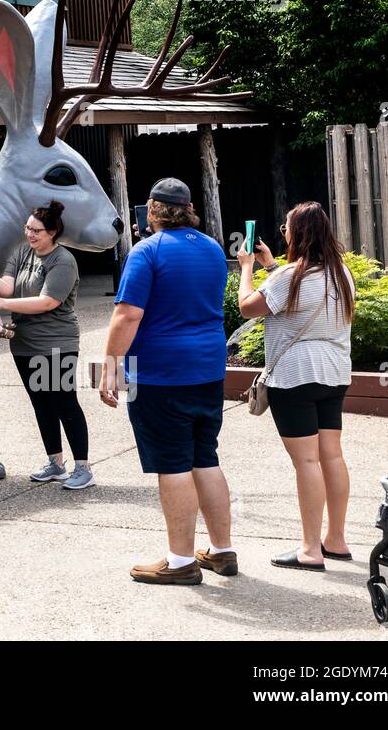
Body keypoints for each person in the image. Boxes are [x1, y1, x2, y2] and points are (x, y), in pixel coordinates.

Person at [100, 177, 235, 585]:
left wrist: (110, 364)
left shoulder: (147, 251)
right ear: (189, 208)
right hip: (208, 367)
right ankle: (221, 550)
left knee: (172, 464)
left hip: (160, 373)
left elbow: (127, 315)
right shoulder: (212, 248)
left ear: (152, 211)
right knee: (204, 456)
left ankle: (180, 561)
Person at [236, 201, 355, 570]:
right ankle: (335, 539)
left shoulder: (289, 278)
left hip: (295, 376)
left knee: (306, 461)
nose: (283, 234)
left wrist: (246, 270)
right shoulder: (341, 274)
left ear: (298, 235)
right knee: (331, 455)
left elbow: (247, 307)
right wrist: (271, 266)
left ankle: (309, 549)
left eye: (286, 229)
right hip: (334, 374)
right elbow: (299, 293)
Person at [0, 202, 92, 491]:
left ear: (53, 232)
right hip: (24, 344)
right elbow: (5, 287)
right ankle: (55, 463)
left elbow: (48, 302)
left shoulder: (63, 260)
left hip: (55, 345)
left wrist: (1, 305)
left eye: (36, 230)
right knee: (41, 404)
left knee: (64, 402)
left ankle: (83, 468)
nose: (30, 234)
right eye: (27, 228)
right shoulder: (22, 253)